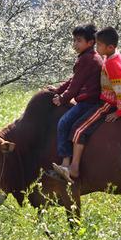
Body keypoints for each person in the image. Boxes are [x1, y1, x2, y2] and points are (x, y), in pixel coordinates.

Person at [52, 26, 121, 182]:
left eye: (99, 45)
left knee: (77, 129)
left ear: (110, 47)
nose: (97, 48)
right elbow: (74, 80)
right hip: (101, 99)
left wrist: (120, 112)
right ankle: (69, 164)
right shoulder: (107, 57)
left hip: (106, 103)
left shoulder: (109, 62)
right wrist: (58, 90)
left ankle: (72, 167)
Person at [49, 24, 103, 182]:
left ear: (90, 42)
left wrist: (62, 98)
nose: (75, 44)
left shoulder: (88, 59)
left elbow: (75, 86)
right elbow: (74, 80)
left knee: (64, 123)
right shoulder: (88, 57)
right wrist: (58, 89)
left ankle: (66, 163)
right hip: (88, 99)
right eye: (74, 40)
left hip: (89, 102)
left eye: (79, 41)